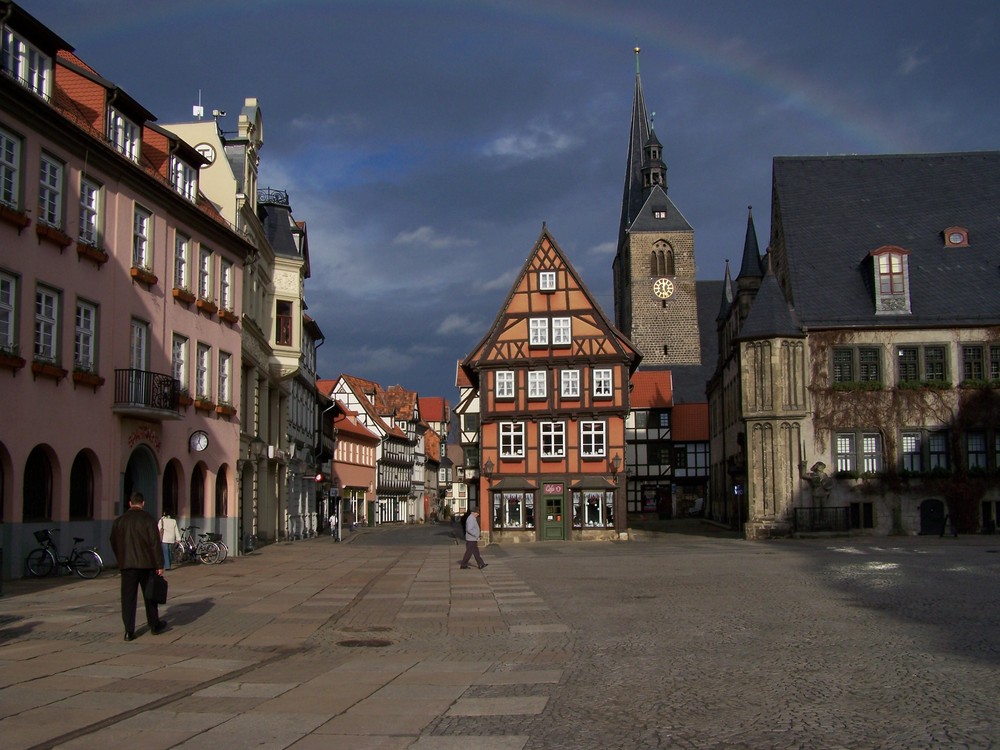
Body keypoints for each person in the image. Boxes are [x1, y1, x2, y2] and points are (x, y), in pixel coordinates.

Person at [110, 492, 167, 641]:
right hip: (146, 564)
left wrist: (121, 557)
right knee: (150, 595)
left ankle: (129, 631)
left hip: (127, 565)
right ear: (143, 503)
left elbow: (113, 541)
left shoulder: (120, 521)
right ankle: (154, 625)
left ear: (130, 503)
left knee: (128, 598)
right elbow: (155, 543)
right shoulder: (148, 520)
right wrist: (159, 564)